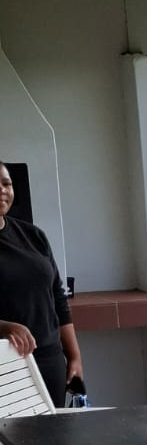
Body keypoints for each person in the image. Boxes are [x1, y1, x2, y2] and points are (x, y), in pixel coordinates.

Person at [0, 162, 82, 407]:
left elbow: (58, 297)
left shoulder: (34, 236)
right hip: (5, 364)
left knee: (53, 430)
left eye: (6, 184)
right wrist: (3, 327)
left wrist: (74, 357)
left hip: (49, 360)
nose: (2, 190)